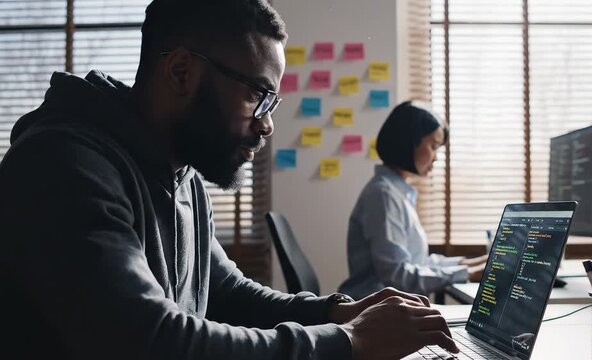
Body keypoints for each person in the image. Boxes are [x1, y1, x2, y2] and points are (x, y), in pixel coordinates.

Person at [0, 1, 460, 359]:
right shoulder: (61, 165)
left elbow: (225, 293)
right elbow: (147, 342)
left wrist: (336, 311)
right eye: (258, 95)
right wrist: (347, 341)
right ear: (181, 71)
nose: (267, 124)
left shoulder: (180, 171)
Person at [339, 101, 487, 301]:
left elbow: (418, 262)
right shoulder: (384, 196)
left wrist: (470, 264)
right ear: (408, 141)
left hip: (390, 309)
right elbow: (398, 276)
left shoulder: (397, 192)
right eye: (433, 146)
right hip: (375, 314)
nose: (435, 158)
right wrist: (468, 273)